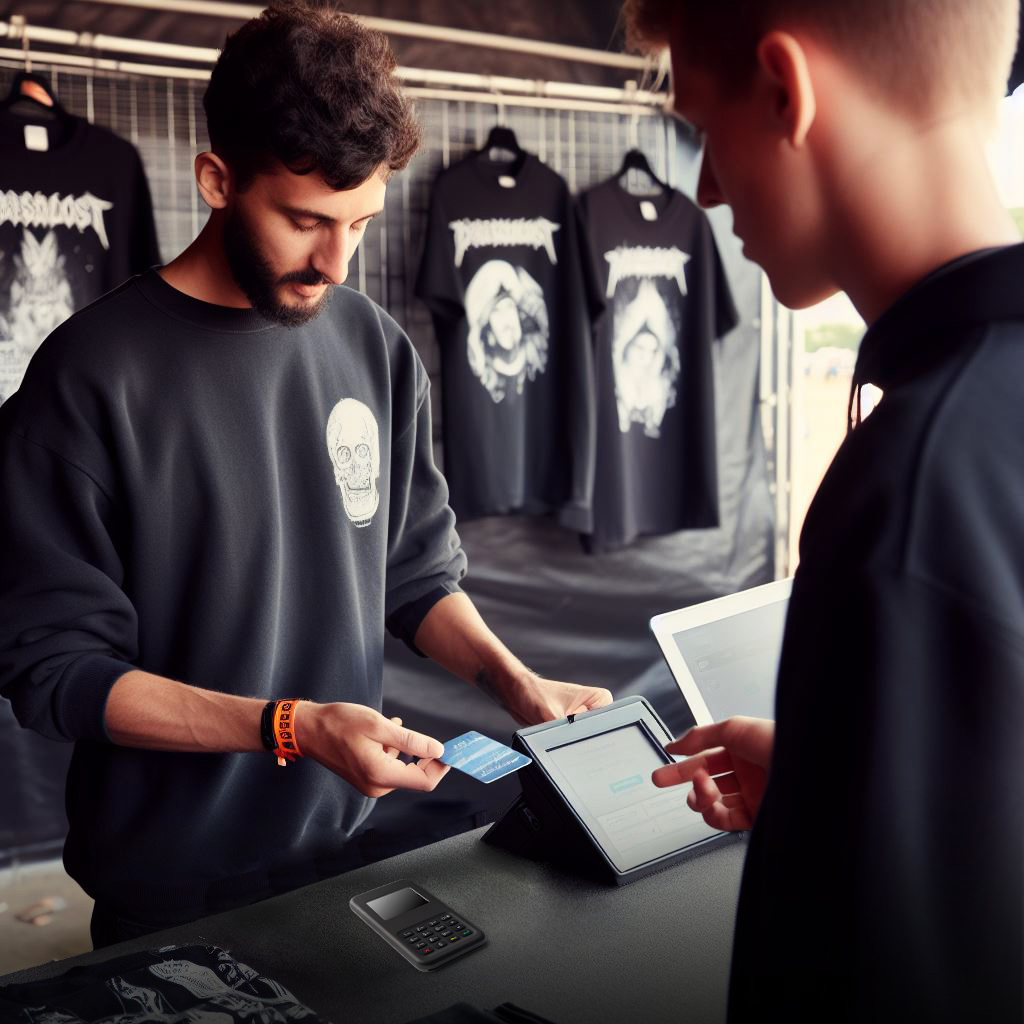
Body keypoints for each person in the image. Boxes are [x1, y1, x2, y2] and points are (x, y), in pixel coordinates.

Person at [0, 2, 611, 949]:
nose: (335, 261)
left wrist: (514, 681)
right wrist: (291, 728)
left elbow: (412, 574)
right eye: (305, 221)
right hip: (175, 887)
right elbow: (60, 674)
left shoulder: (374, 345)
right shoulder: (88, 381)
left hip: (352, 847)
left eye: (361, 223)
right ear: (216, 179)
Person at [625, 0, 1024, 1020]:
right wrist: (835, 786)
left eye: (704, 133)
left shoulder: (910, 493)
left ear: (783, 89)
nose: (705, 191)